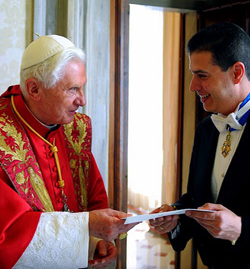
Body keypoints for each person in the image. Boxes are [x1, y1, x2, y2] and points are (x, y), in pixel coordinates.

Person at [0, 35, 136, 269]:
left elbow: (93, 198)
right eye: (73, 89)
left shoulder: (76, 128)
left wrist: (96, 242)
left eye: (82, 87)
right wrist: (86, 227)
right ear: (34, 89)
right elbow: (8, 234)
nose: (82, 100)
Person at [149, 22, 250, 268]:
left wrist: (239, 228)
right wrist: (175, 215)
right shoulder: (206, 129)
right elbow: (196, 198)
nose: (193, 86)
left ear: (237, 72)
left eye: (202, 75)